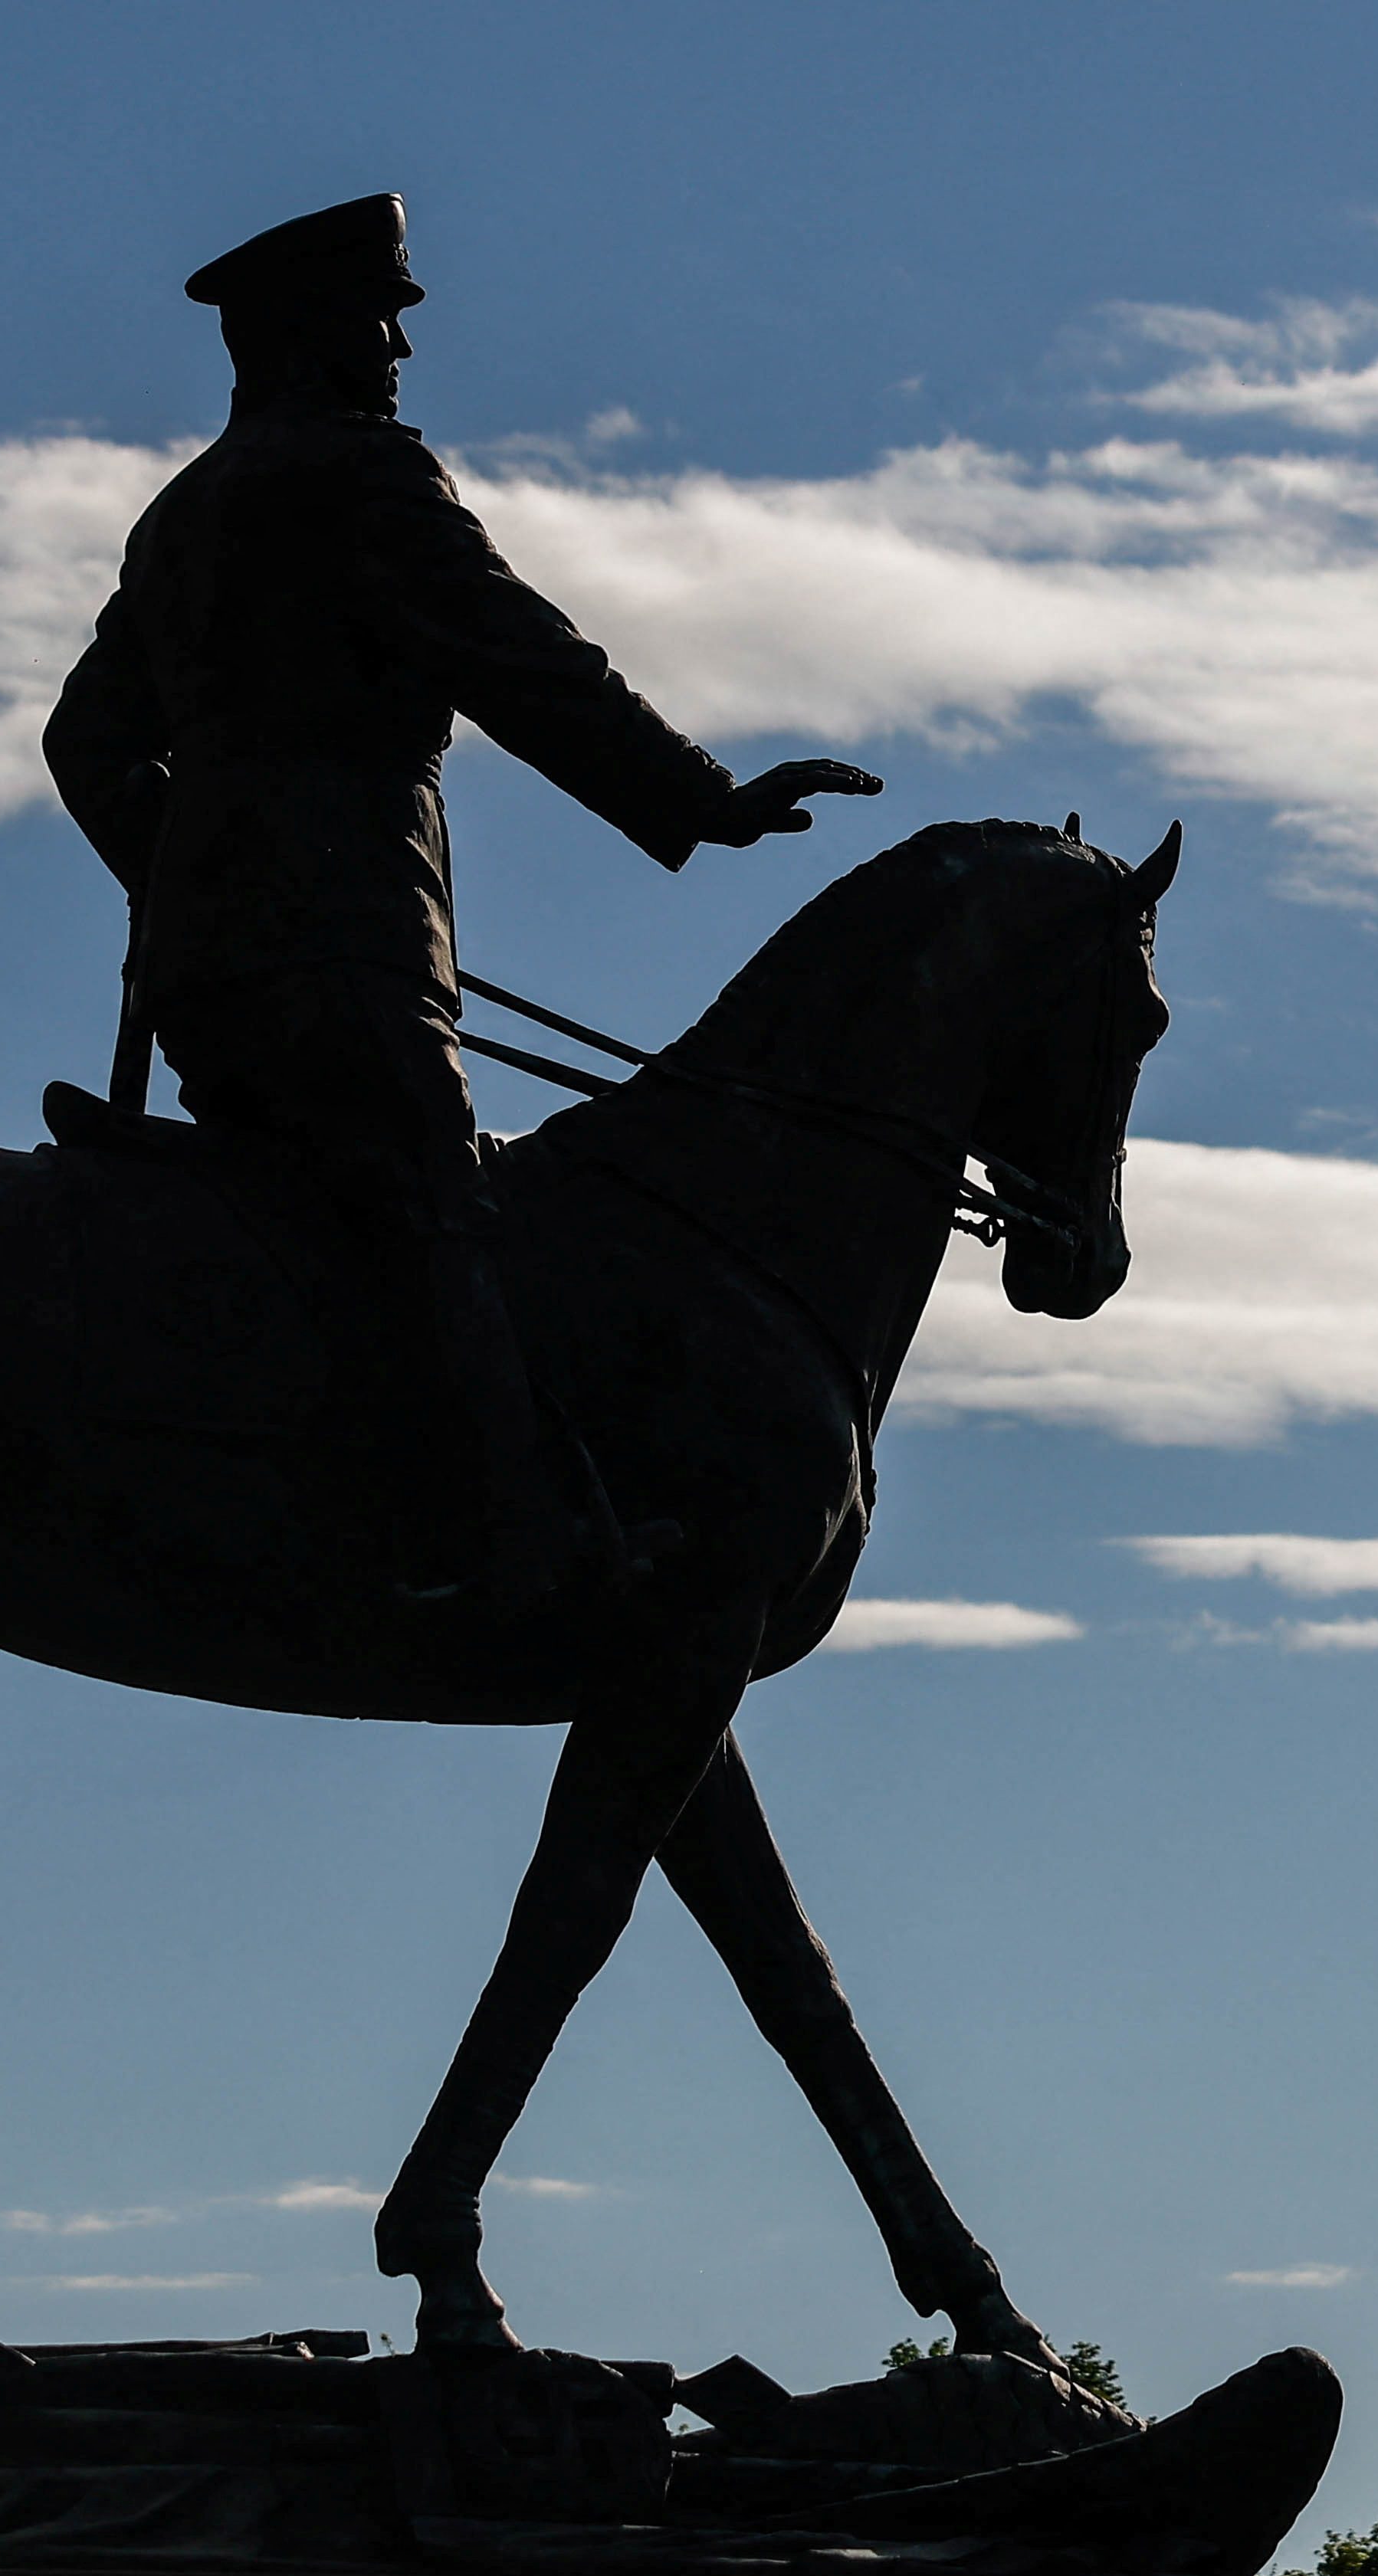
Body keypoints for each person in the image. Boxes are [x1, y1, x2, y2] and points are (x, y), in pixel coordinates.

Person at [43, 192, 877, 1607]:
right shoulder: (361, 484)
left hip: (219, 962)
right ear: (304, 336)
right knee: (438, 1197)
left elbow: (85, 741)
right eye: (377, 321)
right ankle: (493, 1532)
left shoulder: (185, 511)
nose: (396, 352)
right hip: (345, 935)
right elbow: (522, 661)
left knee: (316, 1198)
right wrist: (697, 799)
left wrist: (190, 882)